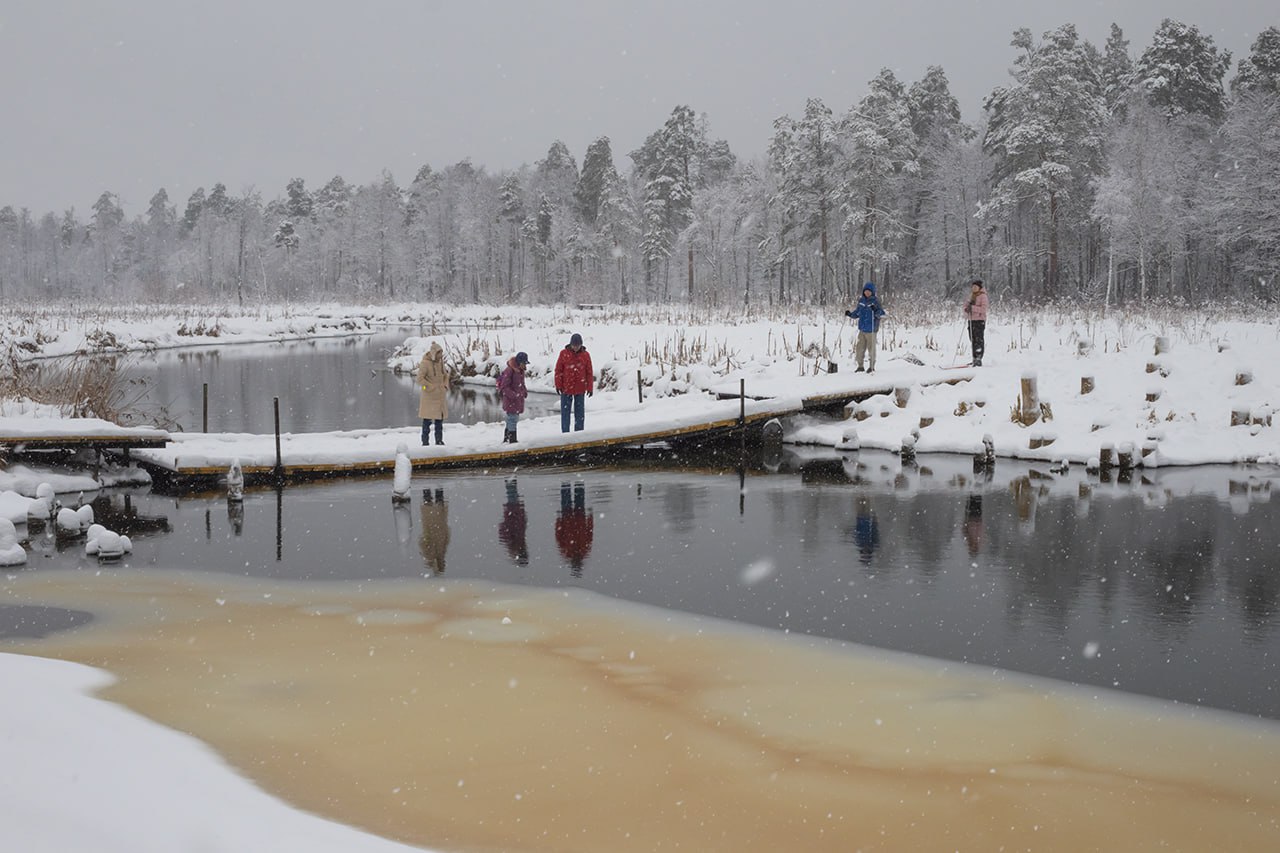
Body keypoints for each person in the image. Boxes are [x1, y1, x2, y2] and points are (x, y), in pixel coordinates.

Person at [554, 332, 594, 433]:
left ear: (581, 345)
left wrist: (590, 387)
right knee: (565, 413)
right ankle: (565, 433)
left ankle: (579, 433)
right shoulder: (564, 353)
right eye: (574, 345)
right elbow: (558, 370)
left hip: (580, 388)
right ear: (570, 344)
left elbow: (589, 373)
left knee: (580, 413)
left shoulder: (586, 355)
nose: (576, 347)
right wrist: (558, 385)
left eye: (578, 345)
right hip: (566, 388)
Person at [844, 283, 886, 374]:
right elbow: (857, 312)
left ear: (872, 292)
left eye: (869, 291)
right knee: (859, 348)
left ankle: (871, 367)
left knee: (871, 349)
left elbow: (881, 313)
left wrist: (875, 310)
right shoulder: (861, 301)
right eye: (865, 291)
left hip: (871, 330)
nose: (867, 293)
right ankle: (860, 366)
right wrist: (850, 314)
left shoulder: (875, 301)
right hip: (862, 329)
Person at [555, 481, 594, 577]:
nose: (576, 561)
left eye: (575, 564)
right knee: (578, 496)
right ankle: (576, 482)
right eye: (578, 564)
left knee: (567, 496)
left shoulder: (566, 552)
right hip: (578, 517)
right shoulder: (584, 550)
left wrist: (558, 521)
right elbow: (589, 532)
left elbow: (559, 535)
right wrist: (590, 518)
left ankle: (567, 482)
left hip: (568, 518)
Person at [417, 341, 450, 445]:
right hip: (429, 397)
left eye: (441, 353)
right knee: (427, 421)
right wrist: (429, 387)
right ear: (434, 353)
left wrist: (445, 386)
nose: (441, 356)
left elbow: (445, 375)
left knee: (439, 421)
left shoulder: (440, 363)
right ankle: (425, 442)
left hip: (440, 396)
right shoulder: (425, 363)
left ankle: (439, 441)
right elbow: (419, 379)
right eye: (439, 353)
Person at [496, 351, 529, 443]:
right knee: (512, 419)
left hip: (517, 400)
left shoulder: (520, 371)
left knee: (511, 419)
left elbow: (521, 384)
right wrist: (514, 395)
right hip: (511, 401)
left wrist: (524, 391)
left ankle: (507, 438)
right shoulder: (510, 370)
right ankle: (512, 439)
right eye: (523, 363)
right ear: (519, 362)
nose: (525, 365)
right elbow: (504, 387)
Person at [497, 478, 529, 566]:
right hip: (515, 516)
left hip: (513, 516)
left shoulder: (512, 544)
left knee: (512, 498)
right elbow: (522, 528)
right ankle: (511, 482)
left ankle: (510, 482)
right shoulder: (519, 543)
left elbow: (503, 531)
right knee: (513, 498)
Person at [418, 487, 450, 574]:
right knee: (433, 503)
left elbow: (423, 542)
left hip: (435, 524)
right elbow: (422, 542)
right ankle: (433, 488)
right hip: (437, 524)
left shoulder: (431, 556)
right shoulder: (439, 554)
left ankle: (432, 488)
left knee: (432, 502)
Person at [963, 279, 988, 366]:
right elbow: (965, 305)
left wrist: (972, 308)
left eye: (975, 287)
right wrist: (966, 309)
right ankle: (974, 358)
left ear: (979, 287)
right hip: (971, 320)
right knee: (972, 339)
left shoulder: (983, 296)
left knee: (979, 340)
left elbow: (983, 309)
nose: (973, 288)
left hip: (979, 321)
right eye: (972, 287)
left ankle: (978, 358)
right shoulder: (971, 296)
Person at [852, 495, 880, 566]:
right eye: (865, 556)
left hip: (861, 518)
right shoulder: (873, 544)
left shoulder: (859, 544)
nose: (864, 554)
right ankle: (865, 493)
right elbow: (875, 531)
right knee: (866, 500)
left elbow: (856, 532)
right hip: (866, 518)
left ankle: (862, 492)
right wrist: (874, 520)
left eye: (863, 556)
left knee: (861, 500)